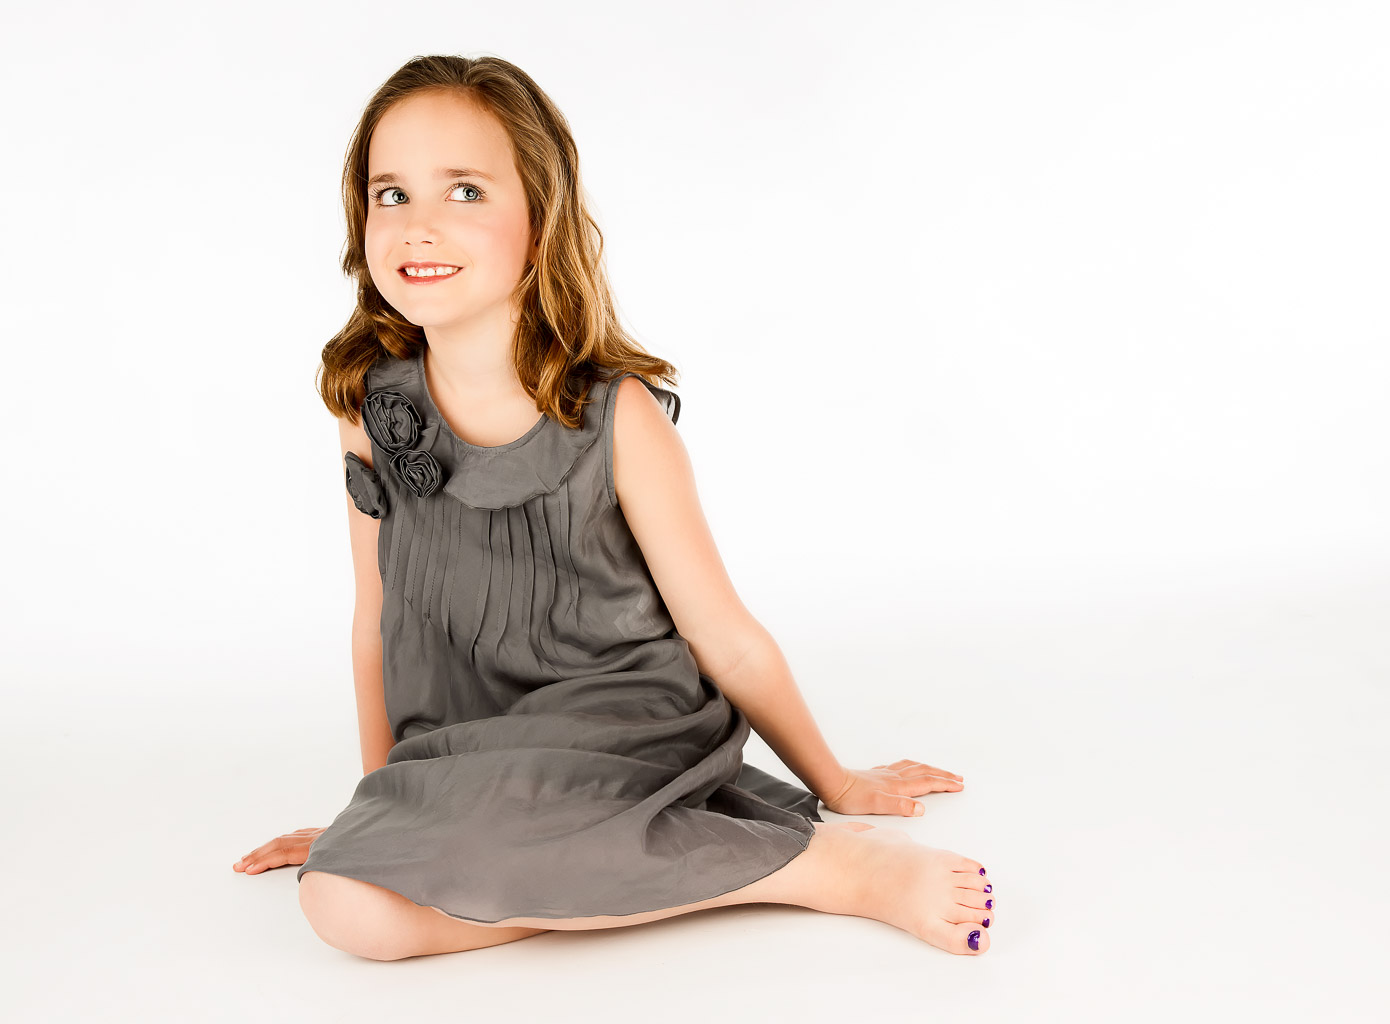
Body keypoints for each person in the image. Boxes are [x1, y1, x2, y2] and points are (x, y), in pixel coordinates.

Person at [232, 54, 994, 960]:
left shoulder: (615, 416)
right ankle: (614, 872)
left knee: (373, 889)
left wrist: (833, 778)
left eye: (465, 191)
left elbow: (725, 636)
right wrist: (385, 809)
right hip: (473, 748)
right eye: (390, 194)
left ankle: (825, 869)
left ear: (539, 219)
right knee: (348, 908)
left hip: (624, 728)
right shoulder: (372, 410)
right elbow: (377, 620)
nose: (418, 225)